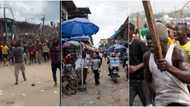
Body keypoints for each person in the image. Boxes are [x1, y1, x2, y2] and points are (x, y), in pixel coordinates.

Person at [144, 22, 190, 106]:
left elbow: (188, 77)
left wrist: (169, 67)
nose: (148, 42)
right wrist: (149, 103)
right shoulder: (147, 57)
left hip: (180, 102)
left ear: (163, 40)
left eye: (152, 39)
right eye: (147, 39)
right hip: (160, 103)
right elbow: (148, 80)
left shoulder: (177, 53)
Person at [128, 23, 148, 106]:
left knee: (147, 103)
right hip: (130, 81)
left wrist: (136, 67)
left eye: (128, 30)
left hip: (141, 80)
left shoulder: (140, 43)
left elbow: (148, 59)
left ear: (132, 31)